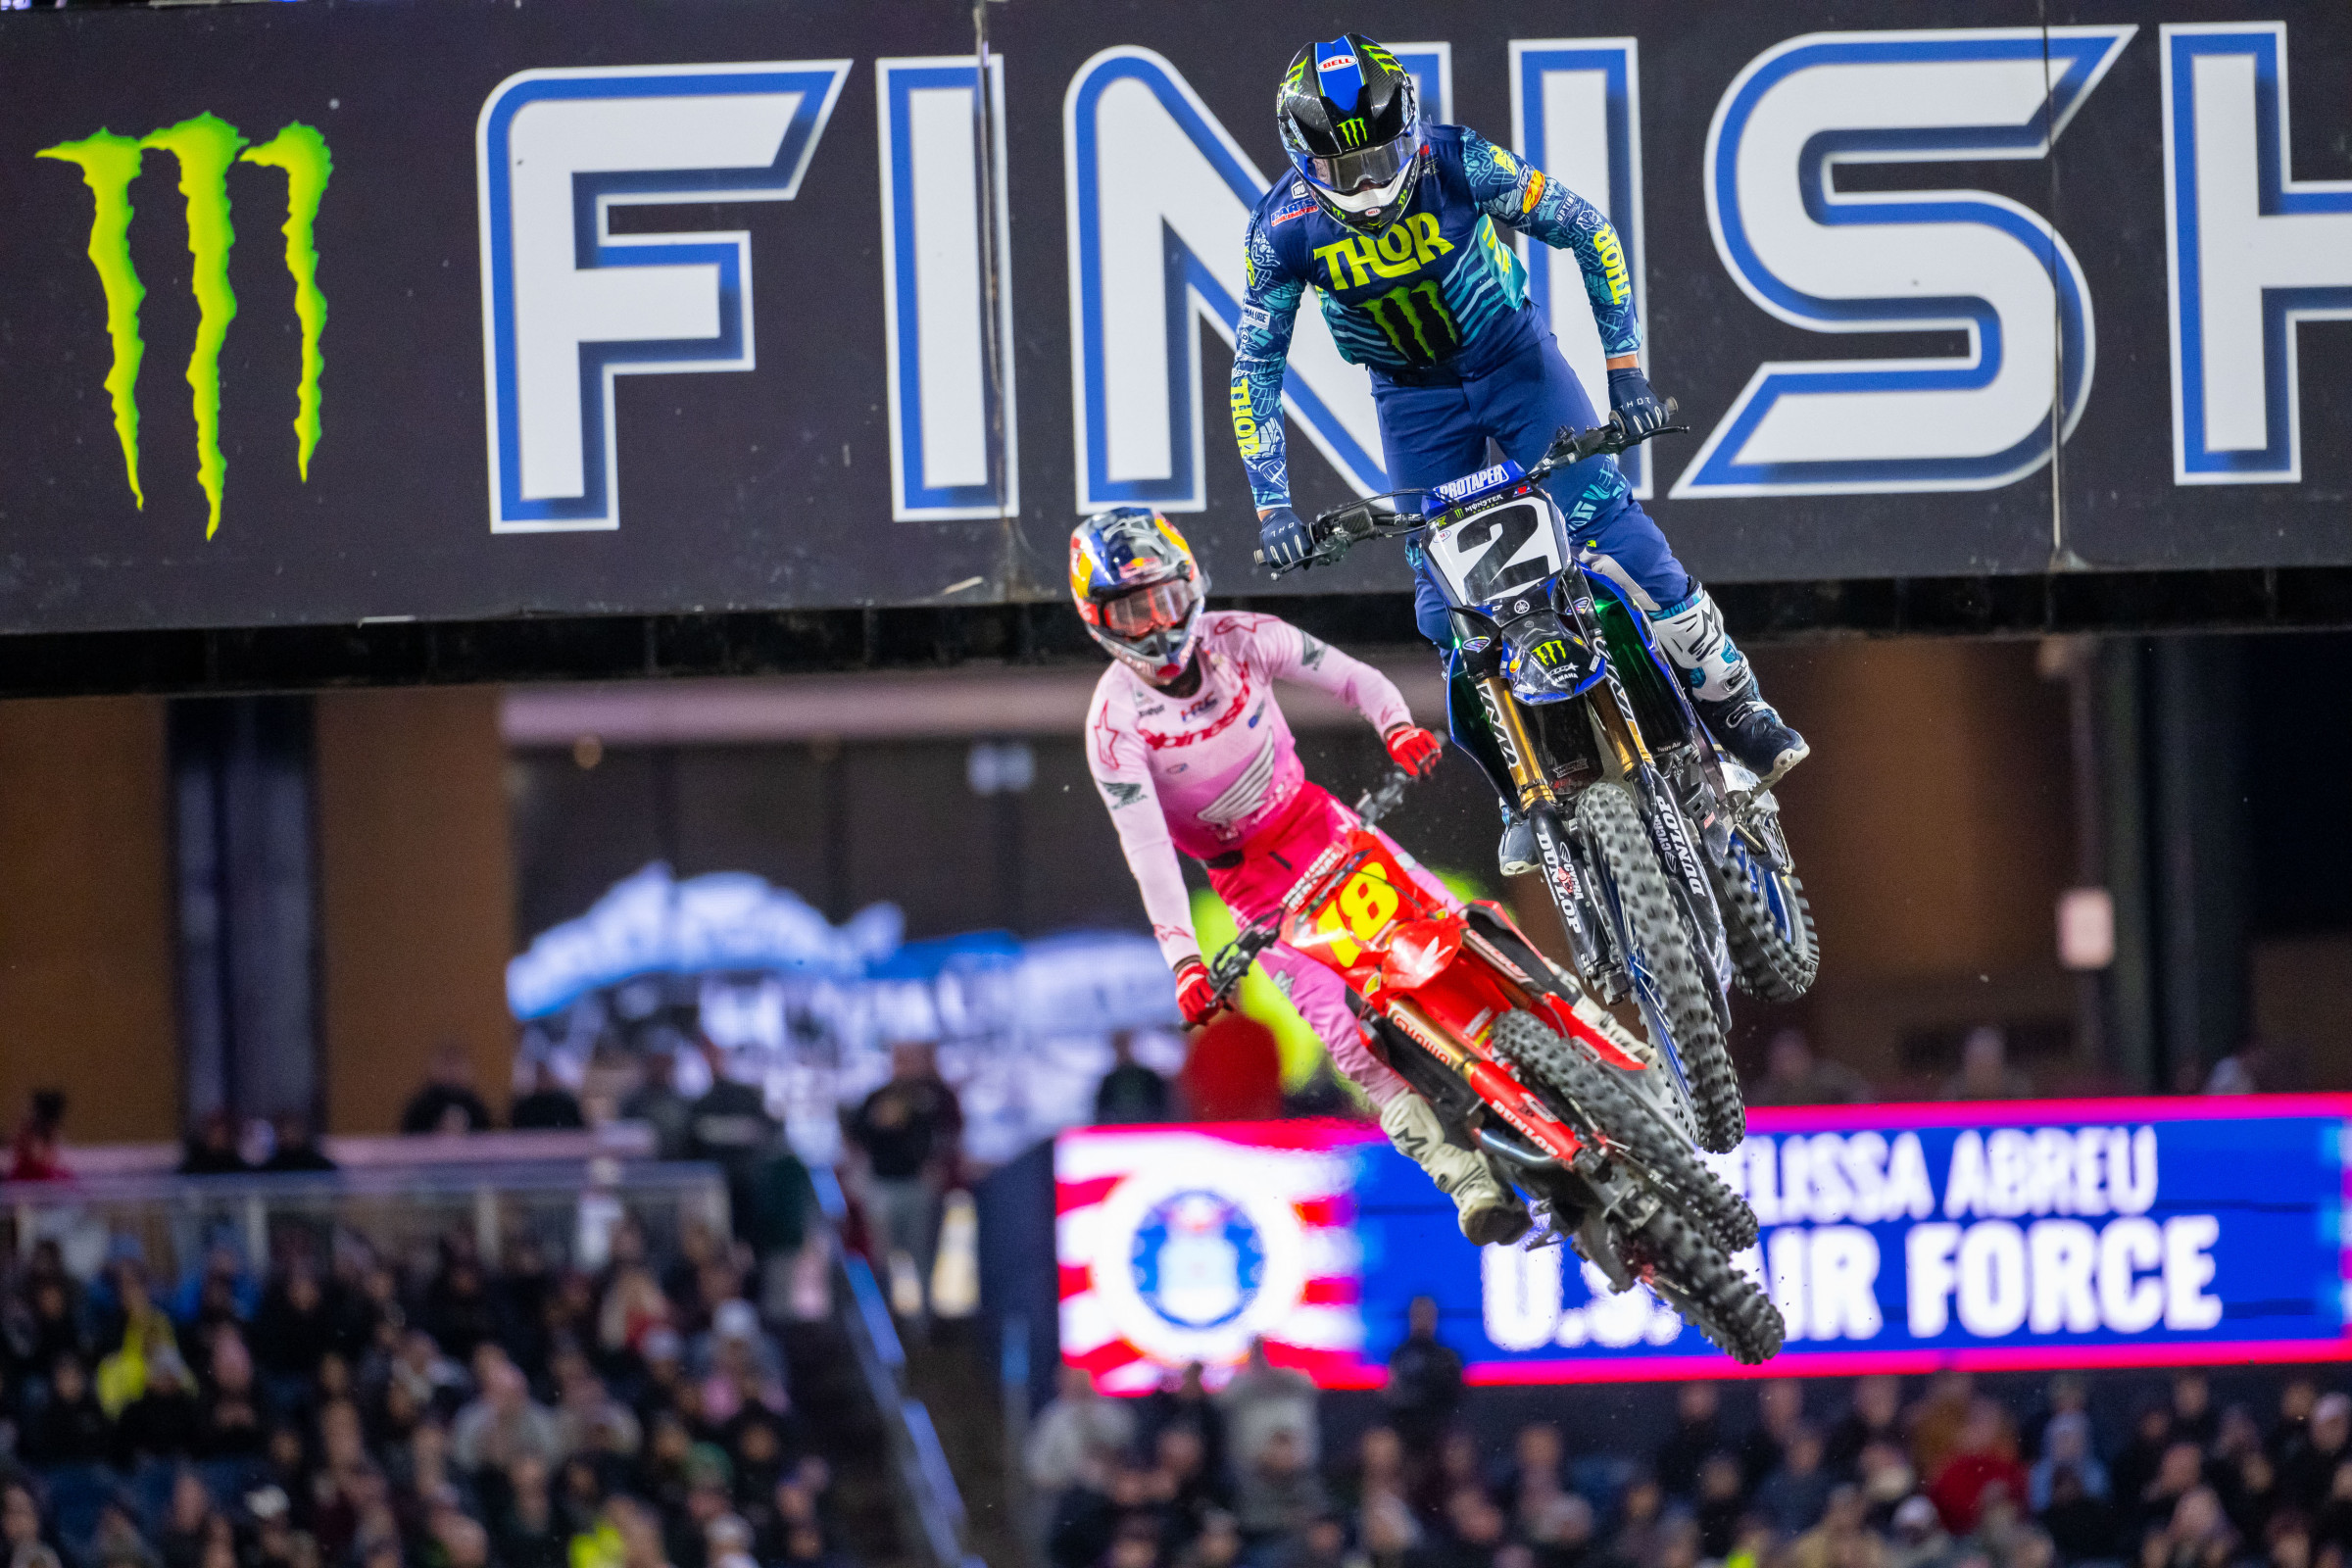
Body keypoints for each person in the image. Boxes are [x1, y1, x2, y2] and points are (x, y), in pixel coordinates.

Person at [1233, 36, 1805, 877]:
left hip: (1514, 358)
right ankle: (1519, 784)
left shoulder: (1463, 159)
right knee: (1443, 608)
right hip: (1412, 397)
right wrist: (1271, 505)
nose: (1369, 185)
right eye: (1344, 169)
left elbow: (1588, 229)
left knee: (1609, 524)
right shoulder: (1279, 233)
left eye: (1384, 157)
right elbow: (1256, 364)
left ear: (1412, 130)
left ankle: (1736, 704)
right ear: (1301, 158)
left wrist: (1626, 375)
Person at [1073, 508, 1526, 1244]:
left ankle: (1579, 1035)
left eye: (1159, 600)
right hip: (1253, 889)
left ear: (1190, 586)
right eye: (1130, 613)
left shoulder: (1242, 637)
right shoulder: (1113, 724)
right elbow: (1147, 847)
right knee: (1351, 1046)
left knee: (1456, 931)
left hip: (1323, 826)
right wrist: (1185, 961)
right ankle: (1469, 1183)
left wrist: (1397, 724)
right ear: (1099, 622)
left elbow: (1351, 678)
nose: (1154, 628)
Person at [847, 1043, 960, 1331]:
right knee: (884, 1258)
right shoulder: (878, 1097)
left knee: (921, 1255)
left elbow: (949, 1134)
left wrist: (936, 1167)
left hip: (917, 1187)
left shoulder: (932, 1096)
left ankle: (922, 1326)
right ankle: (886, 1321)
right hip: (883, 1185)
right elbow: (855, 1132)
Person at [1383, 1297, 1463, 1449]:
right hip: (1402, 1428)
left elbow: (1455, 1398)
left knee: (1456, 1448)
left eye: (1427, 1314)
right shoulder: (1399, 1356)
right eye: (1418, 1314)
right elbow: (1391, 1395)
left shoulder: (1448, 1358)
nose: (1422, 1320)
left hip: (1441, 1428)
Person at [1752, 1029, 1874, 1107]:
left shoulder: (1827, 1077)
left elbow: (1860, 1091)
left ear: (1805, 1056)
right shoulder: (1769, 1090)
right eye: (1780, 1059)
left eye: (1792, 1057)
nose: (1787, 1064)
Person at [402, 1045, 494, 1135]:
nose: (452, 1071)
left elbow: (487, 1137)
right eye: (446, 1064)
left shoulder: (475, 1106)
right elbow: (410, 1138)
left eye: (456, 1064)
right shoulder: (421, 1106)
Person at [1093, 1031, 1173, 1124]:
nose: (1121, 1049)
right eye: (1118, 1045)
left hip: (1149, 1131)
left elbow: (1163, 1108)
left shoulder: (1149, 1076)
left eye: (1124, 1044)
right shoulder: (1109, 1080)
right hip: (1117, 1133)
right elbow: (1101, 1113)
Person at [509, 1063, 587, 1131]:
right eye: (540, 1075)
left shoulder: (567, 1104)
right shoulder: (523, 1106)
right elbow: (516, 1132)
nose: (543, 1079)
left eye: (545, 1074)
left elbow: (580, 1130)